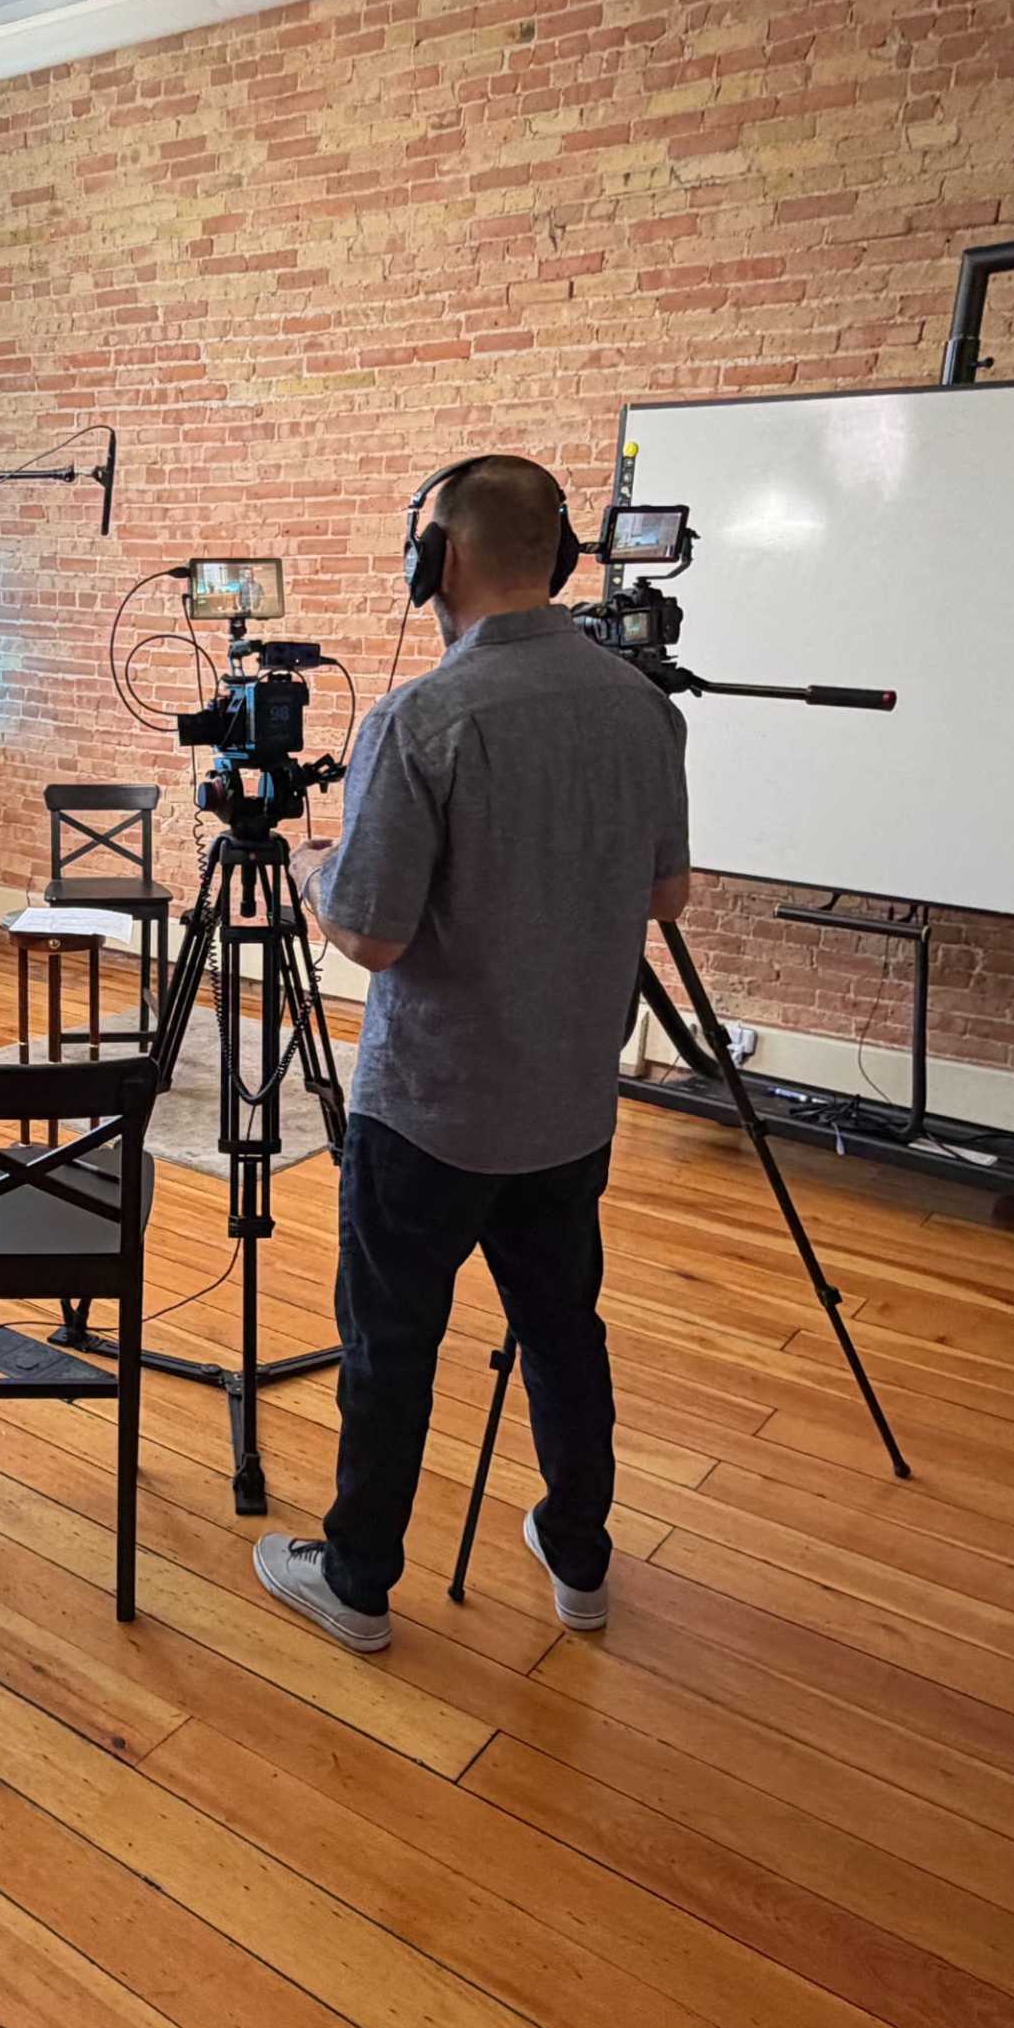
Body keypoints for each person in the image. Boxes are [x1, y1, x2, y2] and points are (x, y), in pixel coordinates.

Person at [255, 453, 690, 1652]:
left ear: (432, 559)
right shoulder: (642, 706)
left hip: (431, 1112)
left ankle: (353, 1584)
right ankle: (580, 1558)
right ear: (558, 561)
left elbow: (375, 935)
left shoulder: (421, 719)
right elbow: (670, 895)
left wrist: (307, 873)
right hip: (569, 1106)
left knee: (392, 1342)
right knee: (564, 1333)